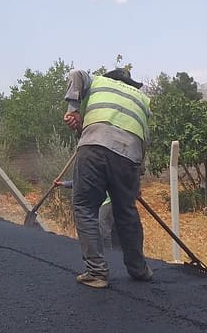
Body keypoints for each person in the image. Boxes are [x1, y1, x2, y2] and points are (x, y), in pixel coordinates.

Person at [63, 67, 152, 288]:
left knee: (84, 205)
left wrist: (73, 109)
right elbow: (143, 139)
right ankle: (139, 269)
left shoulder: (99, 82)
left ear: (109, 78)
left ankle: (96, 272)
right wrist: (135, 179)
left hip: (94, 148)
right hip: (129, 156)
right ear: (131, 84)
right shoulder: (142, 99)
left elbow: (76, 73)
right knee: (126, 212)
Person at [53, 180, 119, 250]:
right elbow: (81, 182)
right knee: (98, 224)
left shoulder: (99, 173)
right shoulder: (91, 175)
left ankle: (108, 250)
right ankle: (100, 248)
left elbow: (81, 182)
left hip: (109, 201)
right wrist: (63, 183)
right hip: (102, 201)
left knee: (103, 224)